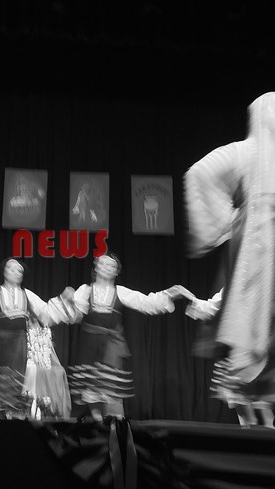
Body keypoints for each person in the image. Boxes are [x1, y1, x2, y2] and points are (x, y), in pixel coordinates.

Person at [184, 92, 275, 427]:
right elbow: (200, 173)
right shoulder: (247, 151)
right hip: (257, 243)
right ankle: (254, 417)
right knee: (254, 316)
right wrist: (231, 220)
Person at [68, 253, 192, 420]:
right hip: (89, 346)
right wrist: (69, 303)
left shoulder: (120, 291)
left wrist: (170, 294)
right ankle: (99, 424)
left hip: (110, 346)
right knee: (91, 391)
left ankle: (116, 426)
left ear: (116, 272)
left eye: (112, 266)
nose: (107, 267)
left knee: (111, 391)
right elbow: (74, 316)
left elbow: (145, 302)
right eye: (103, 263)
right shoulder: (85, 290)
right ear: (96, 267)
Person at [0, 258, 77, 420]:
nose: (16, 272)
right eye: (11, 268)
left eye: (19, 270)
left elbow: (46, 313)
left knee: (17, 388)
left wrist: (63, 298)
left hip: (19, 348)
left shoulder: (27, 295)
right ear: (4, 271)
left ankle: (15, 422)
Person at [186, 288, 275, 427]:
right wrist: (192, 300)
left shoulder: (265, 285)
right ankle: (249, 433)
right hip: (238, 350)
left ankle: (262, 433)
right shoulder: (234, 287)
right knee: (242, 404)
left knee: (261, 404)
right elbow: (212, 306)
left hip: (258, 351)